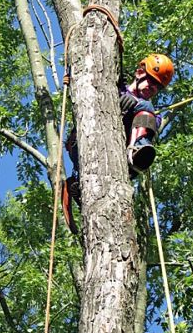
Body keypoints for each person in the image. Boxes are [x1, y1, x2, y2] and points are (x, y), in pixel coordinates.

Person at [62, 54, 174, 233]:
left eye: (157, 87)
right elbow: (88, 93)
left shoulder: (150, 111)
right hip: (84, 140)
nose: (152, 88)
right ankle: (133, 151)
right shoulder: (114, 85)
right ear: (139, 73)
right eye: (151, 82)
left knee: (146, 109)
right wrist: (72, 80)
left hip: (116, 156)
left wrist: (136, 106)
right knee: (144, 106)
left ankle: (82, 189)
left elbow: (153, 122)